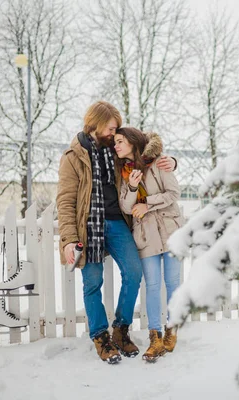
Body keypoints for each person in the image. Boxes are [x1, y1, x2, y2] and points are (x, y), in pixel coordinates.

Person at [56, 101, 176, 364]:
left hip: (118, 221)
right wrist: (69, 239)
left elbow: (145, 145)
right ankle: (100, 337)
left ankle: (121, 330)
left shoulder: (116, 150)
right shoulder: (72, 158)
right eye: (110, 128)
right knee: (93, 282)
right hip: (89, 227)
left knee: (133, 273)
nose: (114, 133)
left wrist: (169, 159)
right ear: (95, 125)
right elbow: (65, 201)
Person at [114, 127, 184, 363]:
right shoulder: (125, 172)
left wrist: (147, 204)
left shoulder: (158, 164)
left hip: (170, 230)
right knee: (152, 285)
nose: (116, 146)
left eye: (120, 141)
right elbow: (125, 207)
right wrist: (133, 189)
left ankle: (172, 330)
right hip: (145, 236)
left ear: (133, 143)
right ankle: (155, 337)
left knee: (173, 282)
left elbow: (174, 192)